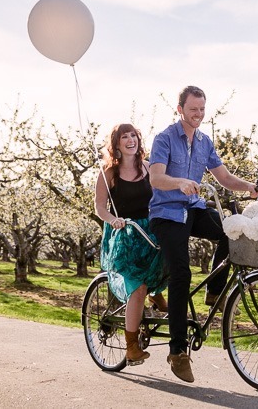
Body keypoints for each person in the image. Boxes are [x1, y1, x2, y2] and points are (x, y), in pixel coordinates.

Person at [149, 86, 258, 383]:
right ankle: (177, 351)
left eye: (202, 109)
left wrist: (247, 186)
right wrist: (180, 182)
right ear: (179, 108)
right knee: (181, 275)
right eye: (193, 109)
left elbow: (223, 177)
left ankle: (214, 294)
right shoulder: (164, 138)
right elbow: (156, 178)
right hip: (167, 213)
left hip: (193, 208)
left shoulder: (205, 142)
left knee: (230, 231)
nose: (198, 114)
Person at [94, 123, 168, 365]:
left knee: (172, 261)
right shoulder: (108, 174)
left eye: (133, 135)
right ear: (116, 144)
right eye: (124, 137)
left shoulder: (147, 168)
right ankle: (132, 346)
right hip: (125, 234)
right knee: (137, 288)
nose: (130, 140)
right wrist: (113, 220)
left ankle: (155, 294)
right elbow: (99, 207)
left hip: (150, 229)